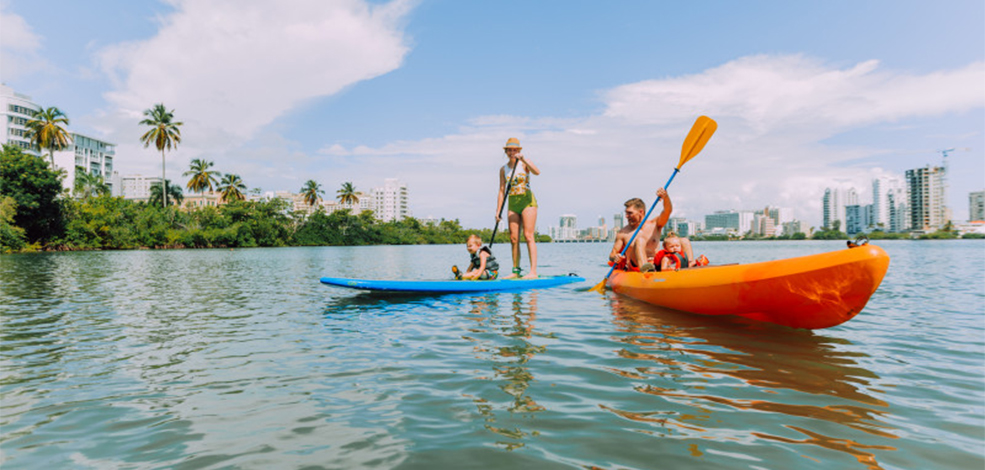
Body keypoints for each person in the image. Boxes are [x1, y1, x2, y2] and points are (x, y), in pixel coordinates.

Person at [496, 137, 540, 279]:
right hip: (513, 202)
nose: (512, 152)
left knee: (528, 235)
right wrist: (498, 212)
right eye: (509, 150)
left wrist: (524, 159)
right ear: (506, 152)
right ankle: (516, 270)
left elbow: (536, 172)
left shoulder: (524, 163)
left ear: (519, 151)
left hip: (527, 201)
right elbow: (502, 191)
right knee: (514, 238)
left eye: (515, 150)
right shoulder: (503, 169)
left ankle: (533, 271)